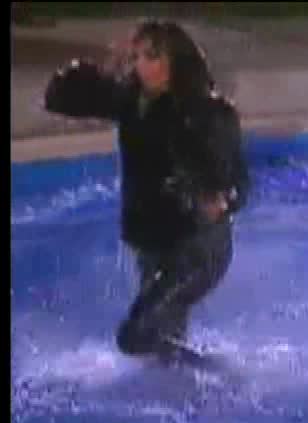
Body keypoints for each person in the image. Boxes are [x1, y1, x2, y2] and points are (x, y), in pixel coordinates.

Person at [44, 20, 250, 360]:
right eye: (136, 56)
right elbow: (58, 96)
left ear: (176, 62)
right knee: (160, 349)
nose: (140, 64)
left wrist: (223, 199)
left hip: (197, 248)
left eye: (151, 56)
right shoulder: (131, 101)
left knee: (135, 336)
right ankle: (203, 382)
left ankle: (222, 373)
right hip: (154, 243)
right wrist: (104, 67)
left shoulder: (208, 112)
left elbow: (240, 181)